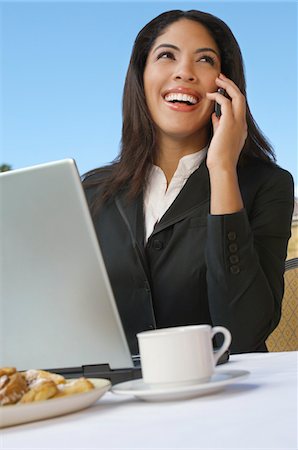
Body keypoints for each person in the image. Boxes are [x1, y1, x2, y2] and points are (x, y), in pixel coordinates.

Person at [83, 9, 294, 355]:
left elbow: (243, 332)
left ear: (225, 84)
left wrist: (223, 169)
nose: (184, 72)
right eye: (166, 55)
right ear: (141, 75)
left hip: (228, 398)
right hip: (118, 401)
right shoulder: (91, 191)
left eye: (205, 60)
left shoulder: (266, 184)